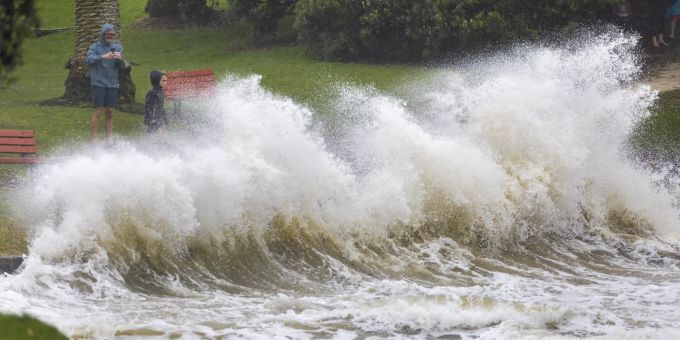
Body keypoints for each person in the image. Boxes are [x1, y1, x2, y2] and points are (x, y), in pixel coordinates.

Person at [86, 23, 125, 142]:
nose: (109, 37)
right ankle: (94, 140)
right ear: (102, 35)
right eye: (107, 35)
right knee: (98, 111)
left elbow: (121, 67)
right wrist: (103, 56)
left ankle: (109, 139)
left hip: (112, 83)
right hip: (98, 83)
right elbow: (89, 60)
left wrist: (120, 59)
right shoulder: (95, 47)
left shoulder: (118, 48)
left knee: (110, 111)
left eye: (112, 35)